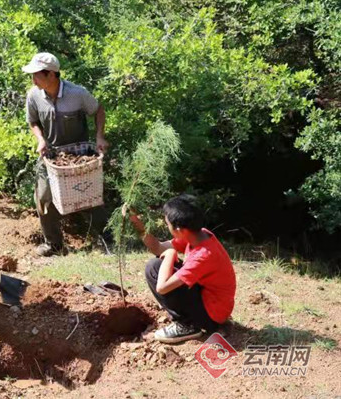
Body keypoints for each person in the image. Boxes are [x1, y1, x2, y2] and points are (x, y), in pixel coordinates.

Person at [22, 52, 111, 257]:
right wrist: (40, 139)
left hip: (80, 156)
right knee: (44, 197)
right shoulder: (34, 94)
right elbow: (33, 121)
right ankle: (54, 244)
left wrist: (99, 137)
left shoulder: (77, 93)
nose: (33, 79)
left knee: (91, 194)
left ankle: (107, 239)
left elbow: (98, 110)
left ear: (51, 74)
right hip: (51, 155)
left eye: (36, 75)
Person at [122, 195, 236, 343]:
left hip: (211, 315)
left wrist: (170, 254)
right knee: (157, 265)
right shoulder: (198, 234)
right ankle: (190, 319)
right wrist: (136, 222)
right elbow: (158, 247)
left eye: (167, 223)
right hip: (211, 302)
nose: (166, 225)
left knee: (154, 268)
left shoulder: (204, 255)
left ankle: (188, 325)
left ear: (179, 230)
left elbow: (162, 288)